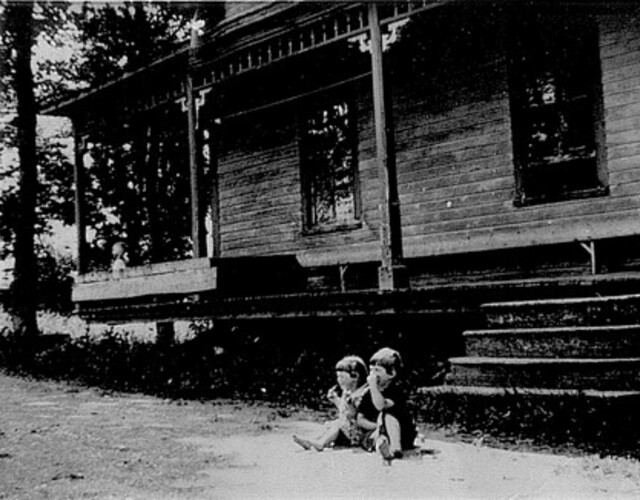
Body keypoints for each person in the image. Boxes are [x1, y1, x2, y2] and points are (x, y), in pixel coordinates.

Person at [293, 355, 369, 451]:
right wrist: (336, 399)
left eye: (342, 377)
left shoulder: (360, 394)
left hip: (359, 434)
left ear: (355, 376)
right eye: (338, 377)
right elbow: (344, 411)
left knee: (338, 424)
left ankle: (320, 443)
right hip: (351, 429)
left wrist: (339, 400)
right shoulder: (348, 392)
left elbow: (351, 414)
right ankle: (314, 440)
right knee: (331, 425)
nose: (339, 380)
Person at [356, 347, 417, 463]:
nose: (373, 375)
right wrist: (377, 427)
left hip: (401, 433)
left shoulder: (396, 390)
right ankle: (383, 448)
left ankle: (395, 447)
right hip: (378, 430)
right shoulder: (368, 393)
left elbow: (381, 405)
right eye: (371, 370)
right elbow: (360, 419)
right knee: (376, 438)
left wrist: (373, 387)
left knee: (388, 415)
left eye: (377, 370)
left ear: (392, 373)